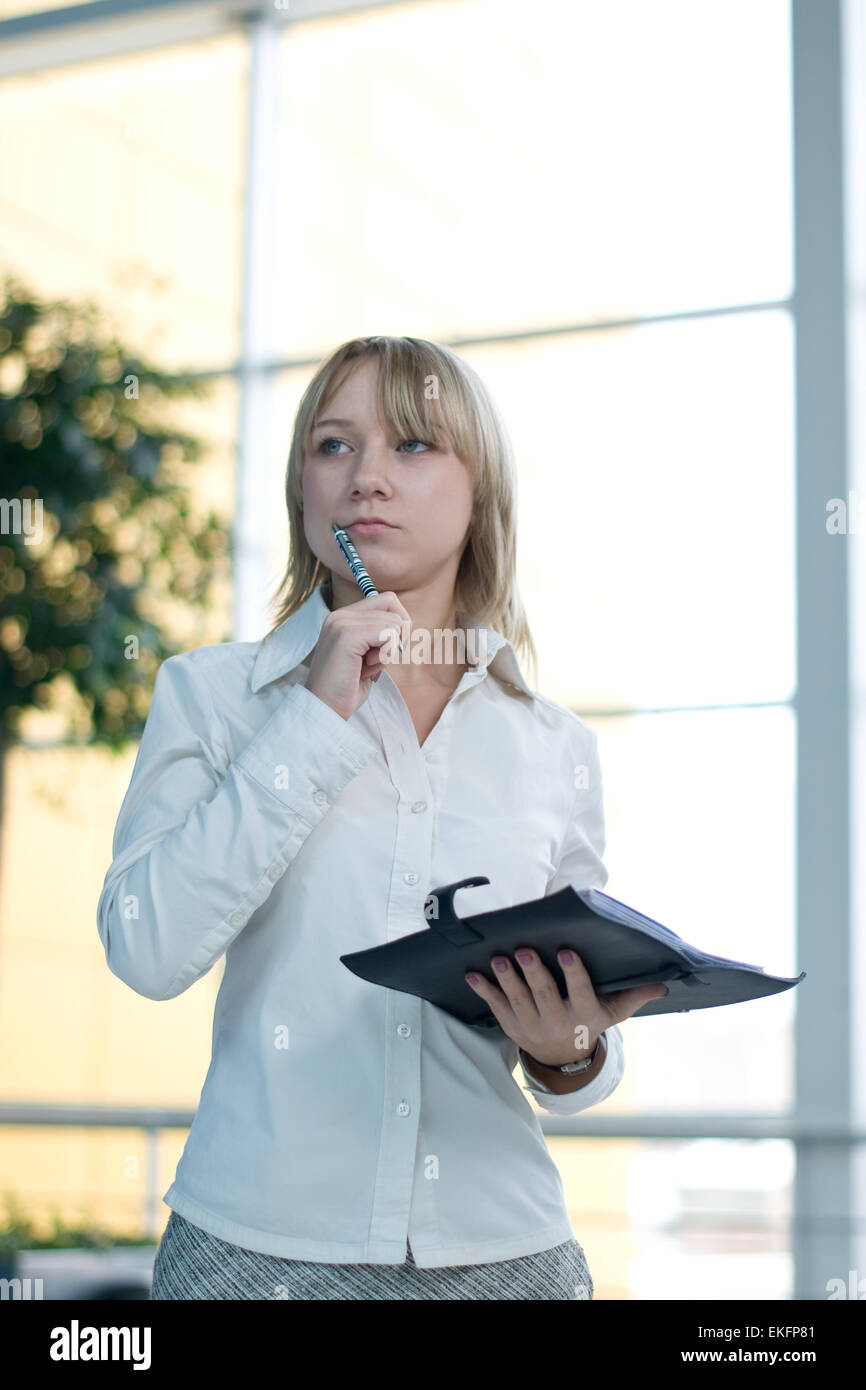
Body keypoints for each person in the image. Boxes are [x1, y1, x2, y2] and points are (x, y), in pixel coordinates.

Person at [98, 335, 668, 1300]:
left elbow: (582, 1048)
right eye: (332, 446)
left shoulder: (553, 744)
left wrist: (571, 1057)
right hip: (252, 1254)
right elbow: (146, 949)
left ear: (479, 490)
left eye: (411, 446)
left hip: (507, 1259)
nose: (365, 477)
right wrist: (313, 719)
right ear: (301, 491)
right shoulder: (213, 697)